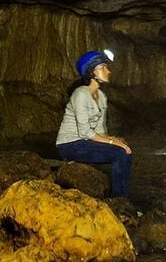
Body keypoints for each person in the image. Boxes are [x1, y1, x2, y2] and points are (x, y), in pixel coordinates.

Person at [56, 50, 133, 198]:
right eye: (103, 68)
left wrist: (114, 139)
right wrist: (112, 143)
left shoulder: (102, 97)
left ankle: (121, 195)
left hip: (84, 142)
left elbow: (100, 130)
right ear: (91, 72)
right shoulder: (80, 94)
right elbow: (85, 132)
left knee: (124, 148)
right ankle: (119, 198)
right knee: (120, 153)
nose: (108, 71)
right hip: (69, 144)